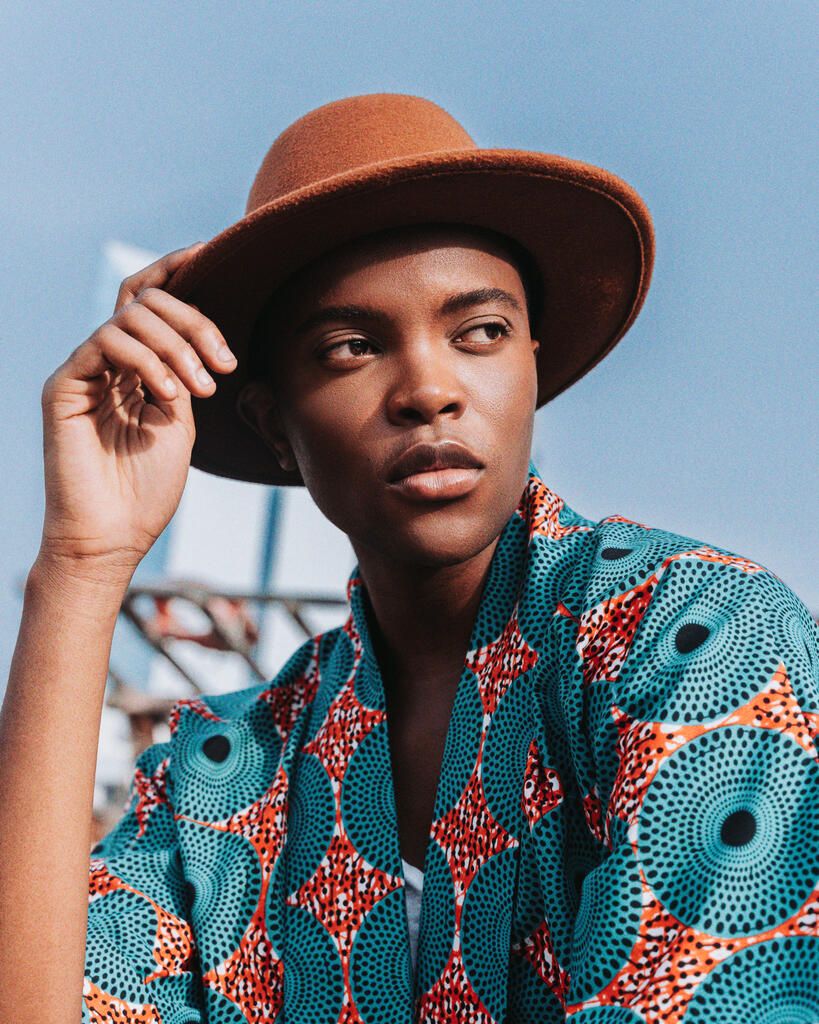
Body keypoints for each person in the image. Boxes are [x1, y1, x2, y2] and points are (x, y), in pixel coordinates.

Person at [1, 93, 817, 1024]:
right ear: (274, 425)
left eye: (481, 333)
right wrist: (80, 566)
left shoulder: (698, 638)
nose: (429, 390)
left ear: (531, 366)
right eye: (350, 348)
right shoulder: (212, 781)